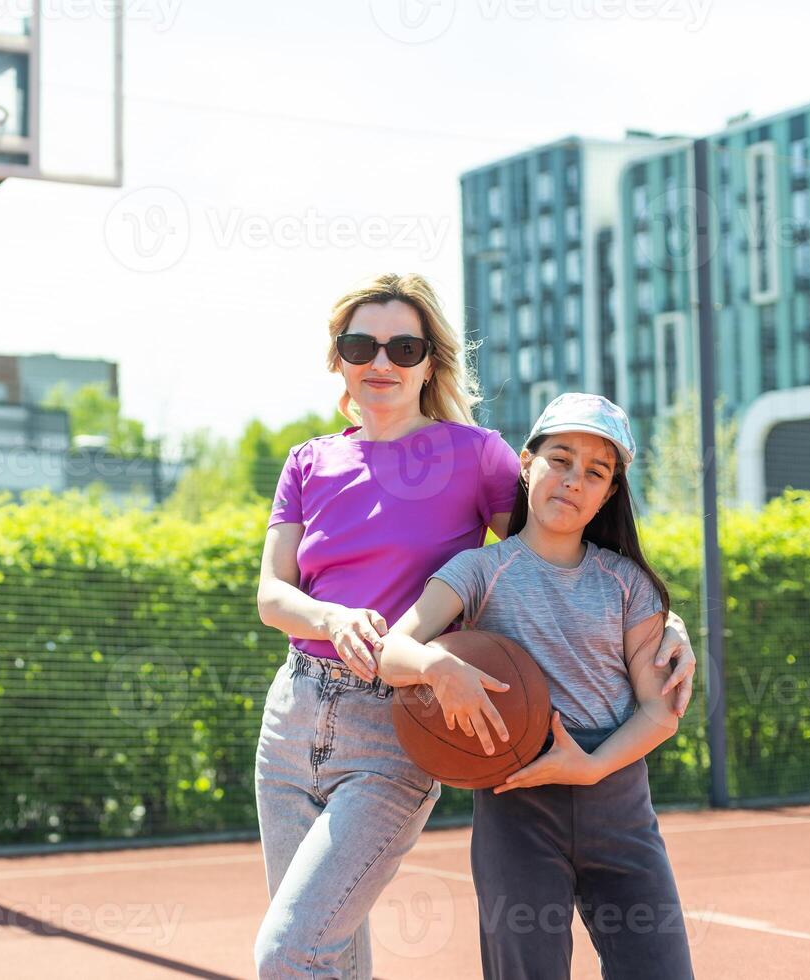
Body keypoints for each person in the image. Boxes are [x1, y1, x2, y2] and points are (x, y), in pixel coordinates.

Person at [253, 274, 697, 978]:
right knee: (326, 948)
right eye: (361, 344)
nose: (382, 362)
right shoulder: (309, 461)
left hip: (397, 717)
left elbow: (556, 545)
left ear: (431, 362)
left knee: (290, 950)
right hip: (292, 716)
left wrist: (660, 618)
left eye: (404, 347)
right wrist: (332, 616)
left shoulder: (476, 454)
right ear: (337, 356)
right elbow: (272, 595)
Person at [374, 391, 696, 978]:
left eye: (595, 472)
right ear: (526, 464)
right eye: (560, 459)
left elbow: (660, 709)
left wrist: (592, 765)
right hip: (516, 805)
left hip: (617, 803)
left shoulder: (627, 584)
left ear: (609, 494)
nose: (574, 480)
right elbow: (393, 649)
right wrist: (437, 667)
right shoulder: (478, 571)